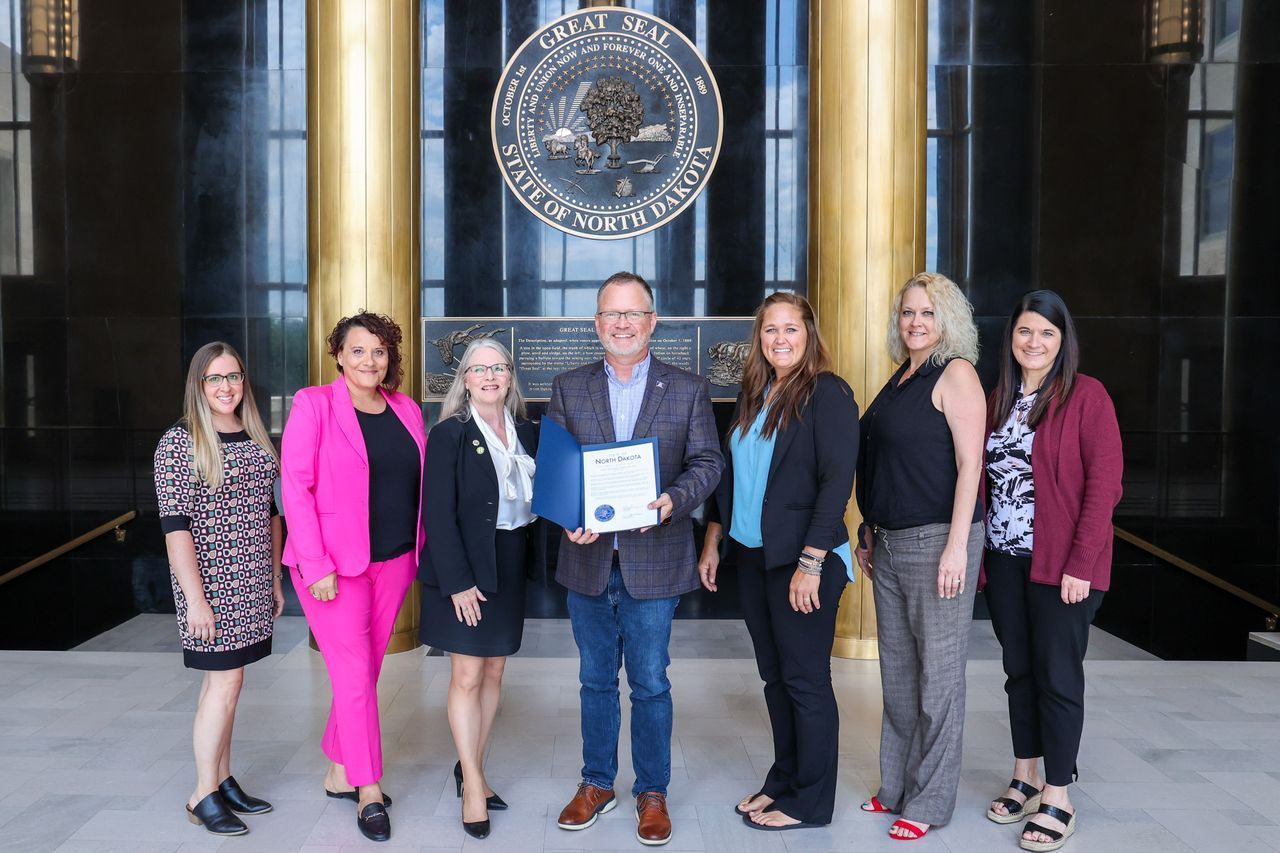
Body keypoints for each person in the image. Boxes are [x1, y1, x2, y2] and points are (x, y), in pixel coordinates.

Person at [548, 271, 722, 847]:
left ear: (652, 321)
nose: (622, 323)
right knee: (594, 680)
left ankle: (653, 791)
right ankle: (597, 782)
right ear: (597, 323)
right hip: (588, 562)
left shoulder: (688, 388)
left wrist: (672, 501)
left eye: (633, 313)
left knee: (650, 682)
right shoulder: (569, 386)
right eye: (611, 314)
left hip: (655, 560)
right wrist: (569, 514)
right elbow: (558, 472)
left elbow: (707, 464)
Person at [696, 292, 859, 831]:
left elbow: (837, 482)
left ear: (809, 334)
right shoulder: (757, 393)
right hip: (754, 557)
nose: (780, 339)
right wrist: (713, 539)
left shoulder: (827, 393)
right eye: (770, 330)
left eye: (791, 328)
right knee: (775, 678)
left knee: (806, 680)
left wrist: (811, 562)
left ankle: (811, 801)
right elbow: (733, 479)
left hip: (803, 561)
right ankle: (785, 778)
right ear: (759, 338)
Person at [981, 290, 1122, 852]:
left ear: (1063, 341)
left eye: (1046, 333)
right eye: (1024, 331)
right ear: (1010, 338)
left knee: (1058, 677)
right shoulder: (1000, 399)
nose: (1033, 342)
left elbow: (1105, 486)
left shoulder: (1088, 397)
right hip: (1005, 562)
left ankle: (1058, 795)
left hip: (1064, 567)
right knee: (1019, 672)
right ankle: (1026, 773)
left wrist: (1081, 564)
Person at [280, 312, 425, 844]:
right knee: (354, 675)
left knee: (364, 673)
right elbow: (295, 488)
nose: (370, 360)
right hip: (332, 569)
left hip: (394, 560)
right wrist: (314, 564)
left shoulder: (406, 409)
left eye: (380, 351)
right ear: (338, 354)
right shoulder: (313, 404)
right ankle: (367, 789)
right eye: (359, 350)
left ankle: (339, 769)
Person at [853, 272, 986, 841]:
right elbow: (886, 465)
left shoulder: (955, 373)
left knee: (939, 681)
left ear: (947, 320)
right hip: (888, 541)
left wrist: (957, 547)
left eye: (928, 313)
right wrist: (867, 532)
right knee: (901, 676)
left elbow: (970, 467)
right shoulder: (901, 377)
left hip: (938, 542)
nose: (915, 322)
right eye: (908, 312)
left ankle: (929, 801)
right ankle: (896, 787)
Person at [154, 341, 283, 837]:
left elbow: (270, 515)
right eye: (215, 379)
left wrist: (273, 577)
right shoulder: (180, 442)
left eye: (233, 377)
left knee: (231, 682)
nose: (227, 387)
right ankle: (201, 793)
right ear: (198, 386)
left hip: (251, 578)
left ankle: (224, 779)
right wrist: (195, 599)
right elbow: (175, 528)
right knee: (223, 684)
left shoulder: (253, 435)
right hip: (211, 583)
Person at [420, 339, 540, 840]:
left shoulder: (530, 433)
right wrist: (458, 583)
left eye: (498, 368)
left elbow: (552, 496)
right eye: (479, 369)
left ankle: (471, 765)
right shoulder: (449, 434)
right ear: (464, 378)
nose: (489, 376)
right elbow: (437, 516)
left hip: (508, 563)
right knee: (467, 674)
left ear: (510, 376)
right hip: (464, 568)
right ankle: (473, 783)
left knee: (494, 670)